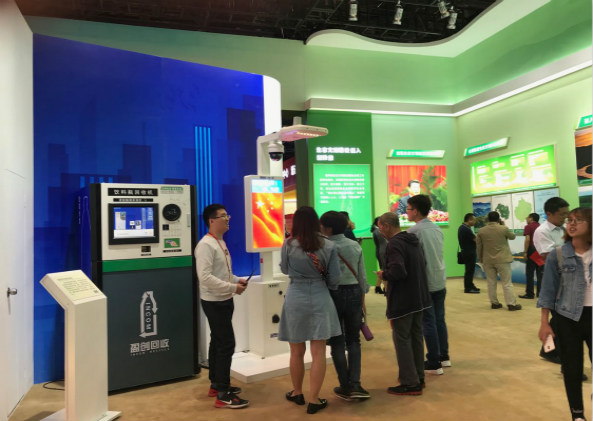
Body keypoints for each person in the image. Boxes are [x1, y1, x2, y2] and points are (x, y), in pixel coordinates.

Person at [278, 206, 342, 415]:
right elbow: (335, 278)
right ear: (316, 222)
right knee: (318, 352)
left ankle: (297, 392)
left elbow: (285, 269)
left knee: (296, 351)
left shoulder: (288, 244)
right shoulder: (329, 245)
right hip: (320, 296)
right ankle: (314, 400)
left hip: (295, 296)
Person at [537, 207, 592, 421]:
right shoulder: (558, 255)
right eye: (570, 220)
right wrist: (544, 323)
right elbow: (547, 292)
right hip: (567, 318)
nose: (572, 223)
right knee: (572, 369)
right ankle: (577, 414)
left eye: (579, 220)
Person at [195, 204, 249, 409]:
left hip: (223, 299)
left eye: (228, 215)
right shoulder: (205, 245)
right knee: (226, 344)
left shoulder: (219, 242)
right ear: (211, 221)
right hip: (215, 301)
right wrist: (233, 288)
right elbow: (205, 277)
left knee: (218, 341)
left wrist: (236, 280)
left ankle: (216, 385)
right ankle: (223, 394)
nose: (227, 219)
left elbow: (223, 273)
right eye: (223, 216)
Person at [377, 212, 431, 396]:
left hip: (403, 300)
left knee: (402, 340)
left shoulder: (394, 244)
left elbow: (398, 271)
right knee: (416, 337)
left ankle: (409, 382)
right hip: (419, 297)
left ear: (386, 226)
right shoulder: (413, 240)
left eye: (380, 227)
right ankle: (418, 376)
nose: (380, 231)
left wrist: (384, 274)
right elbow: (423, 264)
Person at [320, 211, 370, 401]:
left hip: (333, 294)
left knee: (337, 340)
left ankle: (345, 385)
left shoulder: (324, 247)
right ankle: (355, 384)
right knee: (354, 340)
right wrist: (363, 294)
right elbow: (362, 275)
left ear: (328, 228)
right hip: (354, 291)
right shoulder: (354, 245)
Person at [406, 194, 449, 374]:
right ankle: (444, 357)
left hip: (425, 283)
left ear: (415, 211)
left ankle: (433, 362)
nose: (407, 212)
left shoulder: (413, 232)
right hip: (439, 279)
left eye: (408, 209)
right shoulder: (436, 228)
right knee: (439, 320)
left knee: (428, 322)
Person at [533, 196, 570, 364]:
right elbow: (549, 256)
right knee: (558, 317)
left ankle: (548, 350)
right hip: (552, 276)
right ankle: (551, 351)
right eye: (562, 214)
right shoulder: (542, 232)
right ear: (549, 213)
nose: (565, 217)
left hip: (568, 277)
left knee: (559, 318)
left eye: (567, 214)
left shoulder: (565, 228)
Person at [476, 211, 521, 311]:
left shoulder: (481, 231)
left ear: (488, 219)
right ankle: (511, 304)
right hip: (502, 259)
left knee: (491, 283)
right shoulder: (503, 228)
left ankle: (494, 303)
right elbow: (513, 237)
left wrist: (480, 259)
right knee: (507, 283)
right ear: (498, 219)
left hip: (487, 260)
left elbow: (479, 246)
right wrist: (504, 225)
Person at [520, 212, 543, 299]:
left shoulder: (528, 227)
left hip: (532, 250)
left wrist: (525, 252)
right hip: (540, 250)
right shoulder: (541, 226)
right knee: (540, 273)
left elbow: (528, 239)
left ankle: (530, 293)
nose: (526, 219)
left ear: (531, 218)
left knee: (530, 273)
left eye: (527, 217)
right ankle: (540, 293)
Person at [458, 213, 480, 294]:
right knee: (469, 270)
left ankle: (470, 285)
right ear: (469, 220)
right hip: (469, 252)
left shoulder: (462, 227)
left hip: (466, 251)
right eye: (474, 220)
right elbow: (476, 240)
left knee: (469, 270)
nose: (475, 222)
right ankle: (468, 288)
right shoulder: (466, 229)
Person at [372, 216, 387, 294]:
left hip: (380, 251)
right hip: (382, 252)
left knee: (382, 269)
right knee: (384, 270)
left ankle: (378, 286)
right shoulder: (378, 231)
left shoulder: (376, 230)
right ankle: (386, 288)